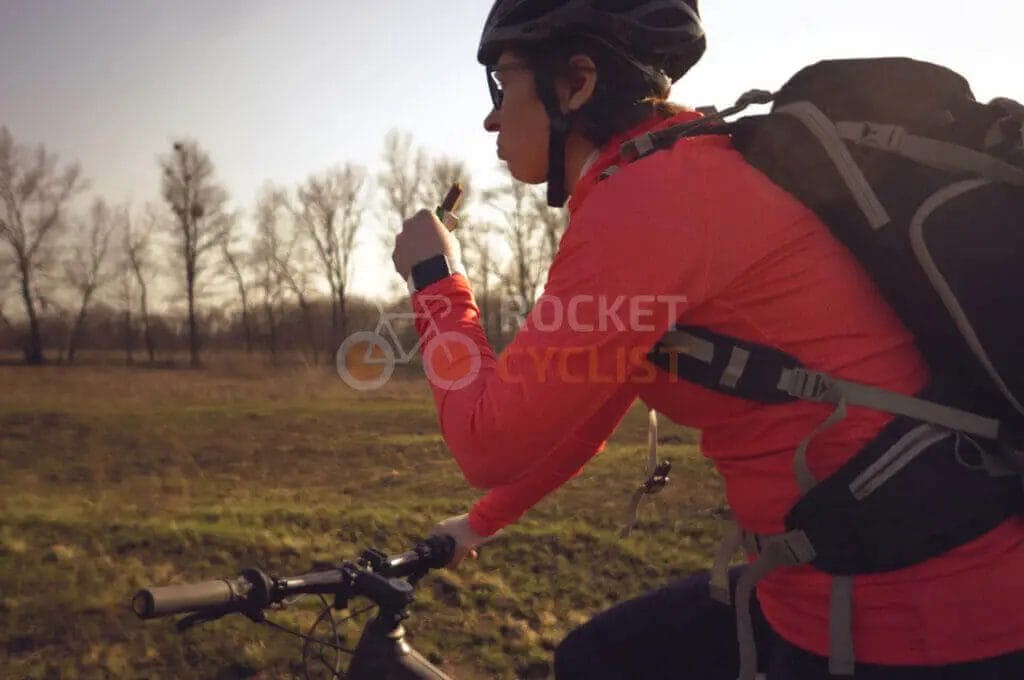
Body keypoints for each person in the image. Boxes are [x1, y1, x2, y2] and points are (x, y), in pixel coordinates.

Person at [390, 1, 1024, 678]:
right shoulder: (676, 173)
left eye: (500, 80)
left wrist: (435, 277)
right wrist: (483, 522)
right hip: (817, 586)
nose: (490, 114)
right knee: (592, 659)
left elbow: (486, 441)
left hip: (918, 618)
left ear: (576, 82)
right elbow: (584, 409)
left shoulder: (644, 204)